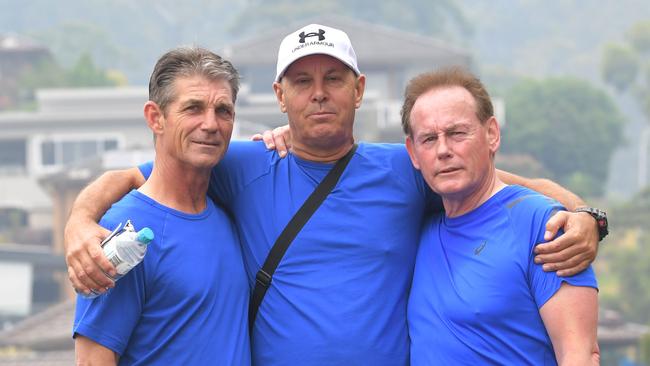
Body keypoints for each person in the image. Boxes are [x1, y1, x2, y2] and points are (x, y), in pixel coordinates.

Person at [64, 24, 602, 365]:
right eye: (301, 81)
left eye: (333, 78)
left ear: (359, 89)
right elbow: (144, 179)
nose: (318, 93)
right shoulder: (240, 163)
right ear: (279, 96)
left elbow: (502, 187)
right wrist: (79, 223)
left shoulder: (409, 165)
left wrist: (581, 215)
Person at [403, 67, 599, 365]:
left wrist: (586, 215)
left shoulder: (544, 225)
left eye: (457, 133)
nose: (443, 150)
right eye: (429, 139)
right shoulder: (417, 224)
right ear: (413, 153)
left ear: (492, 134)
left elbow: (579, 354)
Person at [73, 47, 250, 365]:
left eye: (223, 111)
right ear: (156, 118)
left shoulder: (230, 210)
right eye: (193, 108)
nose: (210, 124)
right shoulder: (125, 231)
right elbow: (92, 359)